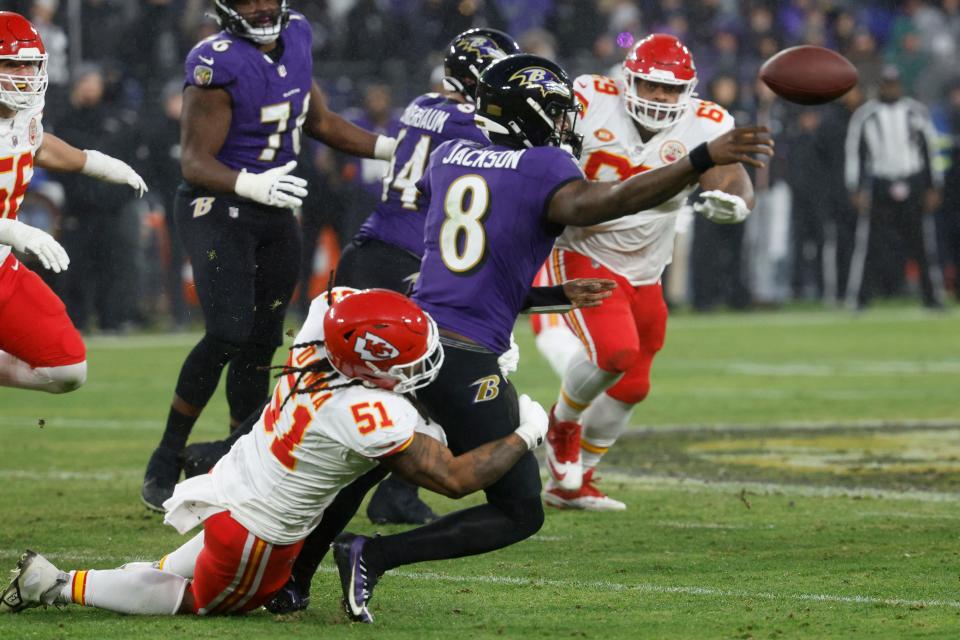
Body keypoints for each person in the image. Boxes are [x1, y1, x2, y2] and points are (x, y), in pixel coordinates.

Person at [328, 53, 772, 623]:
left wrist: (548, 298)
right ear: (528, 115)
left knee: (366, 459)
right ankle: (373, 553)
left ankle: (291, 575)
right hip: (466, 357)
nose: (567, 125)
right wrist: (699, 159)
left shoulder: (449, 157)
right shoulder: (539, 167)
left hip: (423, 337)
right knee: (517, 510)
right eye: (558, 113)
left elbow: (475, 271)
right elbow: (606, 202)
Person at [0, 287, 551, 617]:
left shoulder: (322, 327)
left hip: (237, 482)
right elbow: (454, 478)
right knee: (197, 602)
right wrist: (526, 432)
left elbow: (349, 309)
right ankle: (56, 584)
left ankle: (107, 576)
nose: (421, 368)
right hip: (259, 532)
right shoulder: (370, 413)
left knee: (182, 569)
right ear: (369, 371)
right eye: (407, 363)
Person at [178, 27, 524, 532]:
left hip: (371, 250)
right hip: (410, 261)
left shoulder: (424, 104)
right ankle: (383, 493)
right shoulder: (470, 128)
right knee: (434, 381)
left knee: (318, 378)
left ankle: (225, 457)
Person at [141, 0, 403, 511]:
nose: (260, 7)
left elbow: (321, 121)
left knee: (262, 341)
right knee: (227, 332)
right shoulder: (214, 61)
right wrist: (246, 182)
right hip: (216, 205)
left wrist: (393, 149)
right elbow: (195, 162)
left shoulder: (299, 35)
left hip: (275, 206)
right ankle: (168, 452)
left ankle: (239, 459)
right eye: (247, 0)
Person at [535, 34, 761, 510]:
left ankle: (573, 484)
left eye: (672, 90)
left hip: (646, 266)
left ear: (689, 90)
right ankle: (562, 424)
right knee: (615, 351)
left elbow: (730, 171)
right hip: (581, 246)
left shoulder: (708, 120)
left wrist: (737, 202)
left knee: (634, 385)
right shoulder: (588, 99)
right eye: (651, 86)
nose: (660, 98)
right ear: (627, 79)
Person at [0, 11, 146, 394]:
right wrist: (13, 228)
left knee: (67, 369)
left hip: (0, 269)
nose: (24, 75)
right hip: (6, 246)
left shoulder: (25, 110)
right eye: (11, 63)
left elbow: (37, 142)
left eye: (30, 65)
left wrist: (96, 164)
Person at [844, 65, 946, 311]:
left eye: (894, 84)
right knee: (868, 243)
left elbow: (930, 152)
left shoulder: (916, 112)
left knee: (923, 243)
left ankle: (932, 297)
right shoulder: (866, 115)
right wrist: (855, 188)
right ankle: (859, 298)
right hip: (880, 181)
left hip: (912, 179)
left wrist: (934, 186)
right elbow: (855, 154)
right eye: (886, 84)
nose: (891, 88)